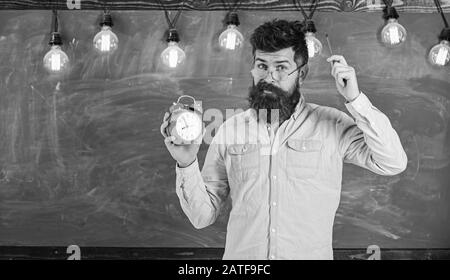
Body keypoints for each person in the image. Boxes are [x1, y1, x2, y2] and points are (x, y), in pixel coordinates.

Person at [160, 19, 407, 260]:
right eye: (262, 66)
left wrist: (355, 100)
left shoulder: (331, 124)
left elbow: (392, 162)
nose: (269, 77)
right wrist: (187, 163)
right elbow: (202, 216)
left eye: (280, 67)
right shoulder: (230, 129)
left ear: (302, 74)